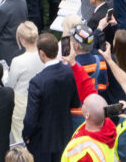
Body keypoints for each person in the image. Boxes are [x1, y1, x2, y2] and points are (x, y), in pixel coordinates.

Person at [23, 33, 80, 162]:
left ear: (42, 54)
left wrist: (26, 134)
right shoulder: (70, 72)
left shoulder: (37, 82)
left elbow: (31, 117)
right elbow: (75, 103)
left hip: (43, 141)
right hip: (64, 134)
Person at [4, 22, 43, 143]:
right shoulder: (44, 55)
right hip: (40, 98)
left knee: (18, 136)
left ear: (22, 40)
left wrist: (5, 74)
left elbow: (9, 85)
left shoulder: (18, 61)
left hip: (21, 102)